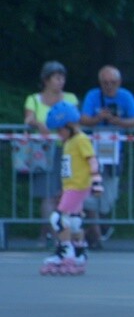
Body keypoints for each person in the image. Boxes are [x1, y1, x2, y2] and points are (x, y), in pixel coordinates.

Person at [79, 65, 134, 248]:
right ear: (100, 83)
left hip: (114, 152)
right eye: (105, 83)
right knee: (91, 192)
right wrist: (97, 118)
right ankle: (95, 235)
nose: (109, 86)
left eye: (113, 83)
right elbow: (83, 120)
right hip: (92, 152)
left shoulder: (125, 96)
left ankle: (96, 227)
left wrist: (119, 122)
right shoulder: (93, 95)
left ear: (119, 82)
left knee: (109, 194)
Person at [38, 102, 103, 275]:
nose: (58, 134)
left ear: (70, 125)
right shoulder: (70, 140)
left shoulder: (80, 139)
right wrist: (64, 189)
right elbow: (71, 167)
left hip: (77, 187)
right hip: (72, 187)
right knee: (74, 220)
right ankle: (80, 253)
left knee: (57, 219)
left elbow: (92, 159)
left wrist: (97, 181)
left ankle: (66, 253)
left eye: (60, 130)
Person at [23, 61, 80, 244]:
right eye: (56, 77)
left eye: (62, 77)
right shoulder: (33, 99)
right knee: (47, 194)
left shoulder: (70, 98)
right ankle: (50, 233)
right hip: (43, 151)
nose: (60, 81)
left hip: (67, 150)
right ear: (46, 80)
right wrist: (39, 124)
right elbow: (29, 119)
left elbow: (76, 122)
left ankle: (62, 233)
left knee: (65, 192)